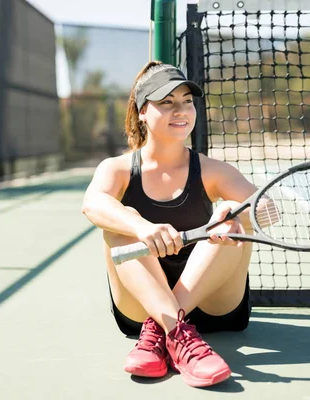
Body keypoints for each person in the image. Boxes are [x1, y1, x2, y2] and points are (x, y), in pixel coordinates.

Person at [81, 61, 259, 388]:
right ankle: (177, 332)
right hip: (139, 305)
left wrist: (232, 215)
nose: (181, 110)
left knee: (233, 216)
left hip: (214, 305)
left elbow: (266, 209)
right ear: (142, 112)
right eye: (167, 102)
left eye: (187, 101)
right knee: (117, 227)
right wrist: (140, 226)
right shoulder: (117, 169)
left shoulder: (212, 169)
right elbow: (92, 204)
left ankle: (166, 329)